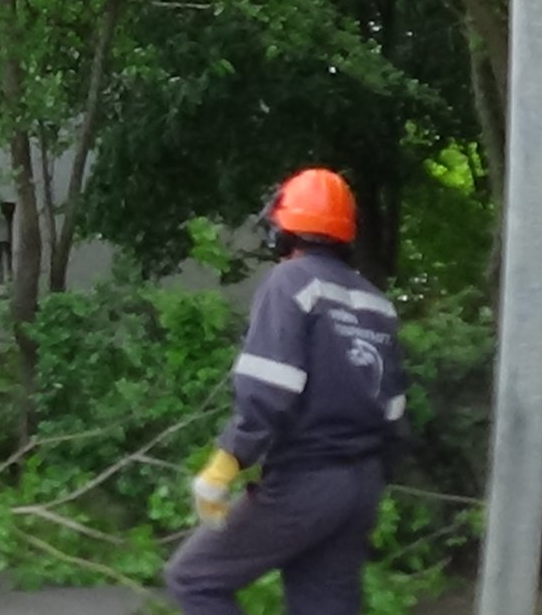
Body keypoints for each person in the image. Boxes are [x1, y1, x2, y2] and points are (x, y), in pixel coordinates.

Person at [164, 168, 409, 615]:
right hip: (362, 484)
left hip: (306, 481)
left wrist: (224, 465)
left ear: (283, 228)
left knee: (195, 579)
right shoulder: (377, 303)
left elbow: (270, 389)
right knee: (325, 603)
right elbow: (393, 409)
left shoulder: (291, 282)